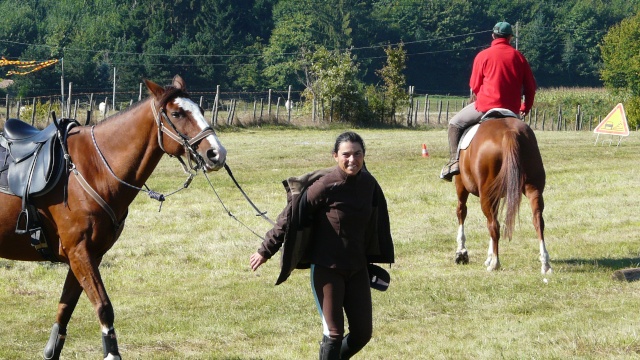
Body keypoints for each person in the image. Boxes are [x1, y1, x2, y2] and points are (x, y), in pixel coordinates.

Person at [250, 131, 394, 360]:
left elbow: (376, 222)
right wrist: (266, 249)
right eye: (346, 154)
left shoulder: (369, 184)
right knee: (334, 334)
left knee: (362, 334)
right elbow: (291, 215)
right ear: (335, 156)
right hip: (328, 269)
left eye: (357, 154)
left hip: (358, 269)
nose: (352, 160)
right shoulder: (325, 185)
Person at [440, 21, 537, 181]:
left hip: (485, 107)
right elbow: (530, 88)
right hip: (512, 110)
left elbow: (474, 85)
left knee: (454, 123)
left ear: (493, 35)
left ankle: (454, 162)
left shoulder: (483, 55)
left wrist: (482, 98)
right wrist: (525, 107)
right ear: (510, 37)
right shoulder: (519, 57)